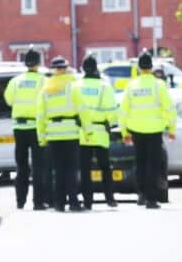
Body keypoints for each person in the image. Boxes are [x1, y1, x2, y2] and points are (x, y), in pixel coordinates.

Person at [120, 53, 175, 209]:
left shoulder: (131, 86)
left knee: (140, 162)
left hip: (136, 130)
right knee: (153, 164)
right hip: (155, 130)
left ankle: (142, 195)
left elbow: (123, 111)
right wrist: (172, 128)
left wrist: (124, 132)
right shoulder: (159, 85)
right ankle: (151, 199)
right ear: (151, 68)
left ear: (138, 68)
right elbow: (169, 108)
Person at [36, 56, 85, 212]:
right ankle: (73, 202)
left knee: (58, 170)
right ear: (65, 69)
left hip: (53, 134)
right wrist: (87, 131)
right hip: (70, 133)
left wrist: (41, 137)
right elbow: (82, 110)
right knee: (71, 169)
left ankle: (59, 203)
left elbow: (40, 116)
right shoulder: (73, 86)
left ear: (52, 70)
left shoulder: (45, 90)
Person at [3, 51, 48, 209]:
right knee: (38, 166)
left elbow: (8, 100)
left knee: (21, 166)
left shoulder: (16, 81)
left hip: (19, 128)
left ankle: (20, 201)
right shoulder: (43, 81)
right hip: (36, 128)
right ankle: (38, 202)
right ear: (38, 63)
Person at [75, 55, 118, 209]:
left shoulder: (76, 86)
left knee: (85, 169)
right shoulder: (105, 87)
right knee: (105, 167)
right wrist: (112, 124)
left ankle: (88, 202)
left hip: (82, 132)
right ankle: (110, 199)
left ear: (83, 69)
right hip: (100, 132)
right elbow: (112, 111)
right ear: (96, 68)